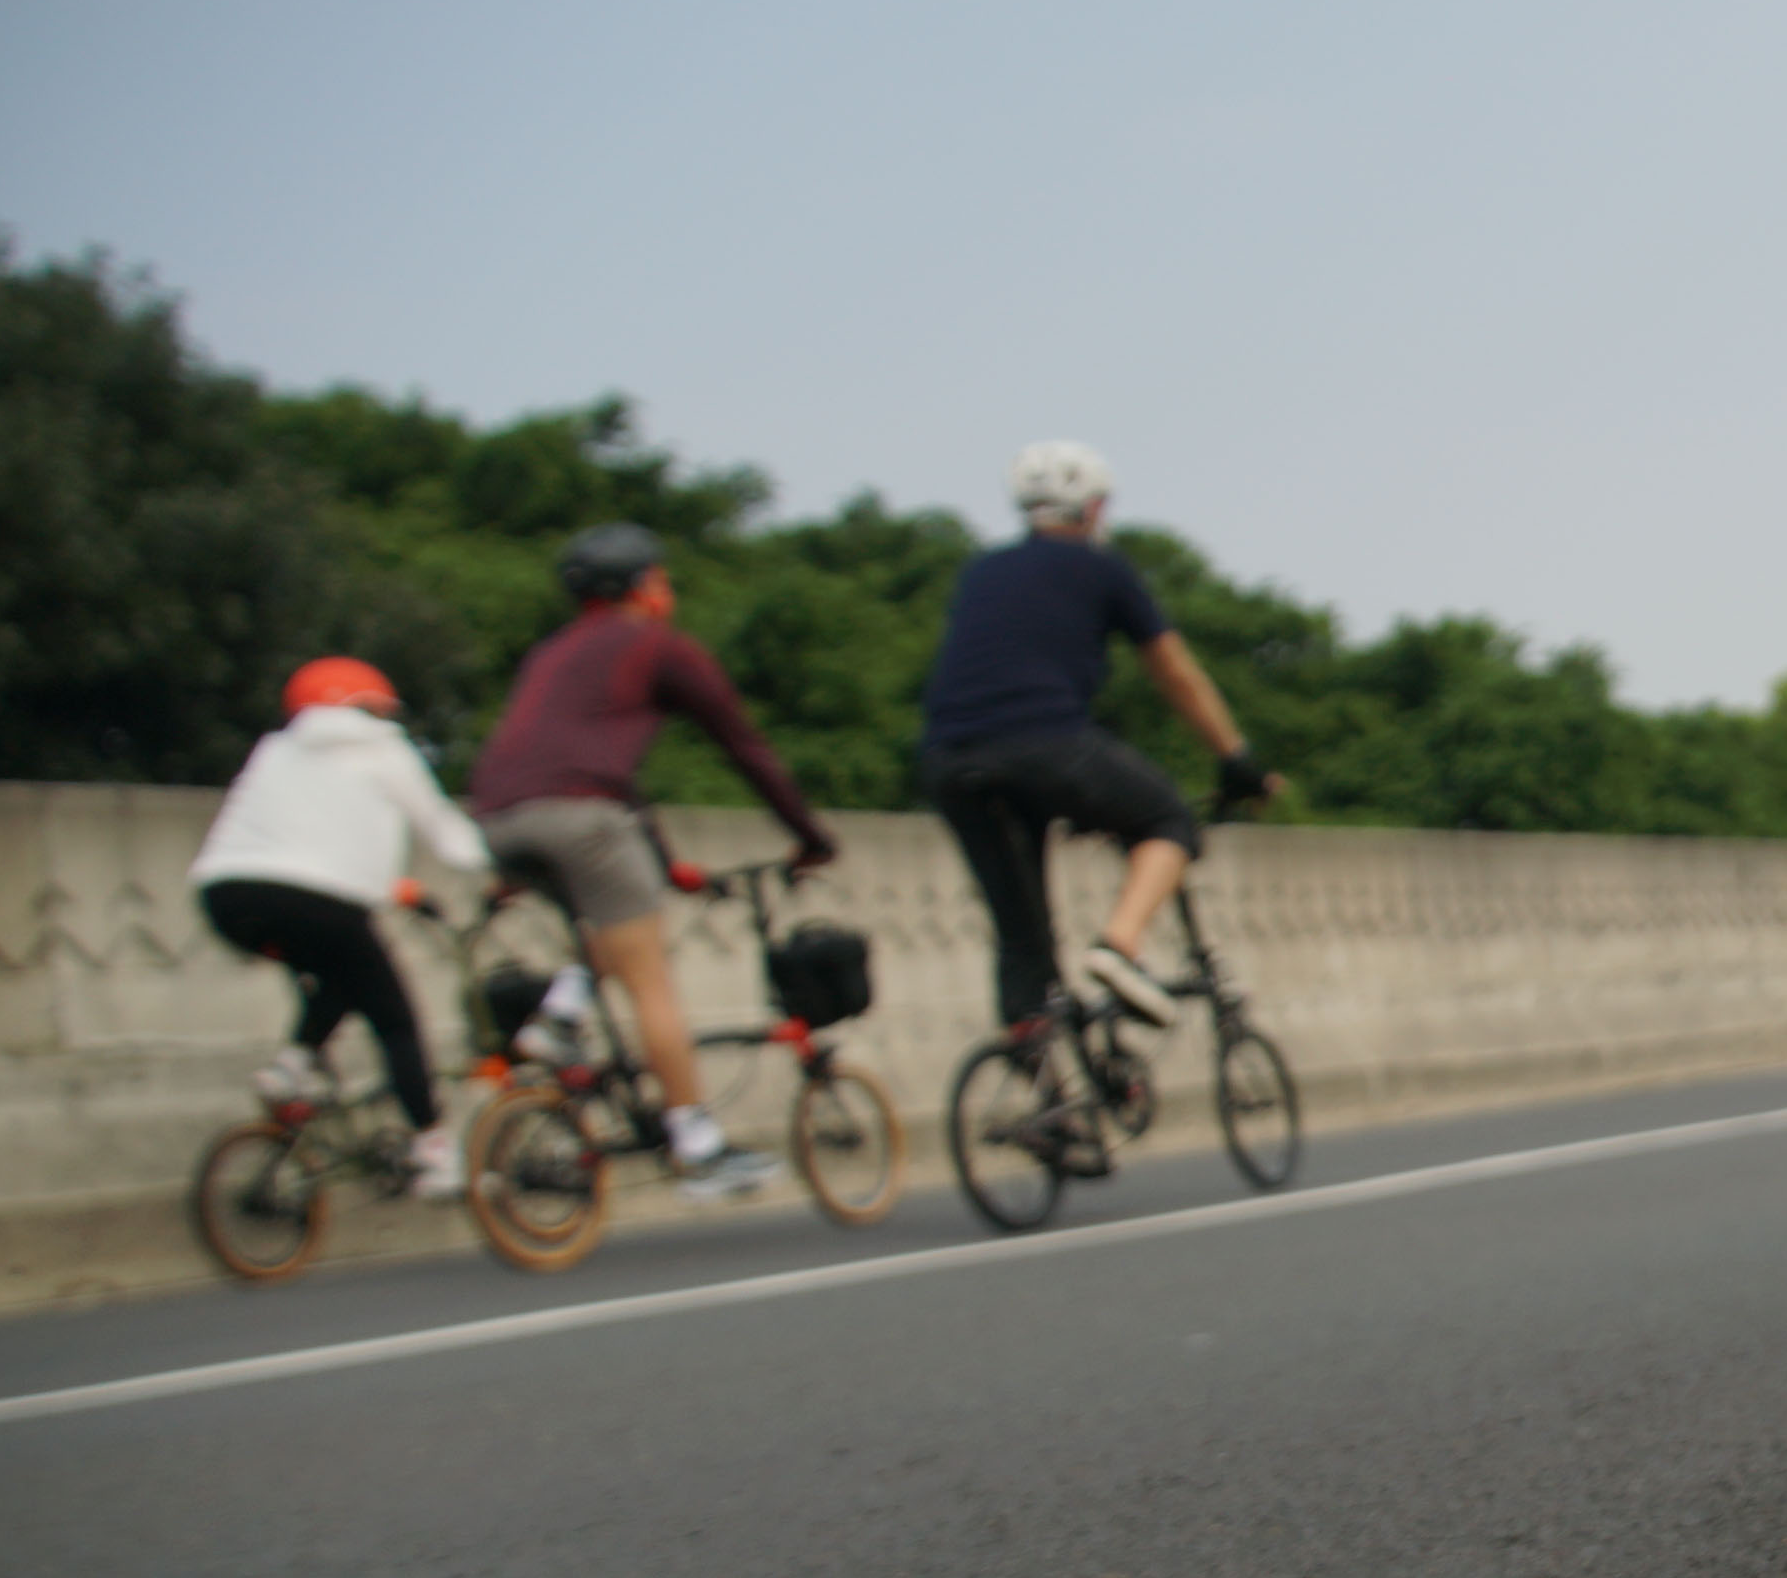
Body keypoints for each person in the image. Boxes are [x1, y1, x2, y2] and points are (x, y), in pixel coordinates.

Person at [466, 522, 839, 1198]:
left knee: (609, 930)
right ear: (645, 586)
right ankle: (696, 1145)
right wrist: (809, 834)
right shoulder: (657, 647)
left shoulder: (550, 654)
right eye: (664, 578)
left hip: (496, 820)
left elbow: (603, 771)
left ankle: (563, 1012)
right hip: (581, 818)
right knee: (649, 978)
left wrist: (665, 862)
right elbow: (745, 748)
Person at [919, 441, 1275, 1032]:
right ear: (1090, 510)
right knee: (1167, 820)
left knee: (1022, 939)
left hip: (946, 761)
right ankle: (1119, 946)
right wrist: (1235, 757)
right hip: (1046, 744)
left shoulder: (981, 569)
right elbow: (1174, 671)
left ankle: (1040, 1086)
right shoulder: (1102, 567)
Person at [188, 657, 491, 1197]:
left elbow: (300, 830)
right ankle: (434, 1148)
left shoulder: (274, 751)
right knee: (394, 1019)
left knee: (339, 974)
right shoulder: (383, 749)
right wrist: (498, 868)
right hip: (319, 900)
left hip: (226, 895)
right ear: (366, 709)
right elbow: (445, 832)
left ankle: (293, 1067)